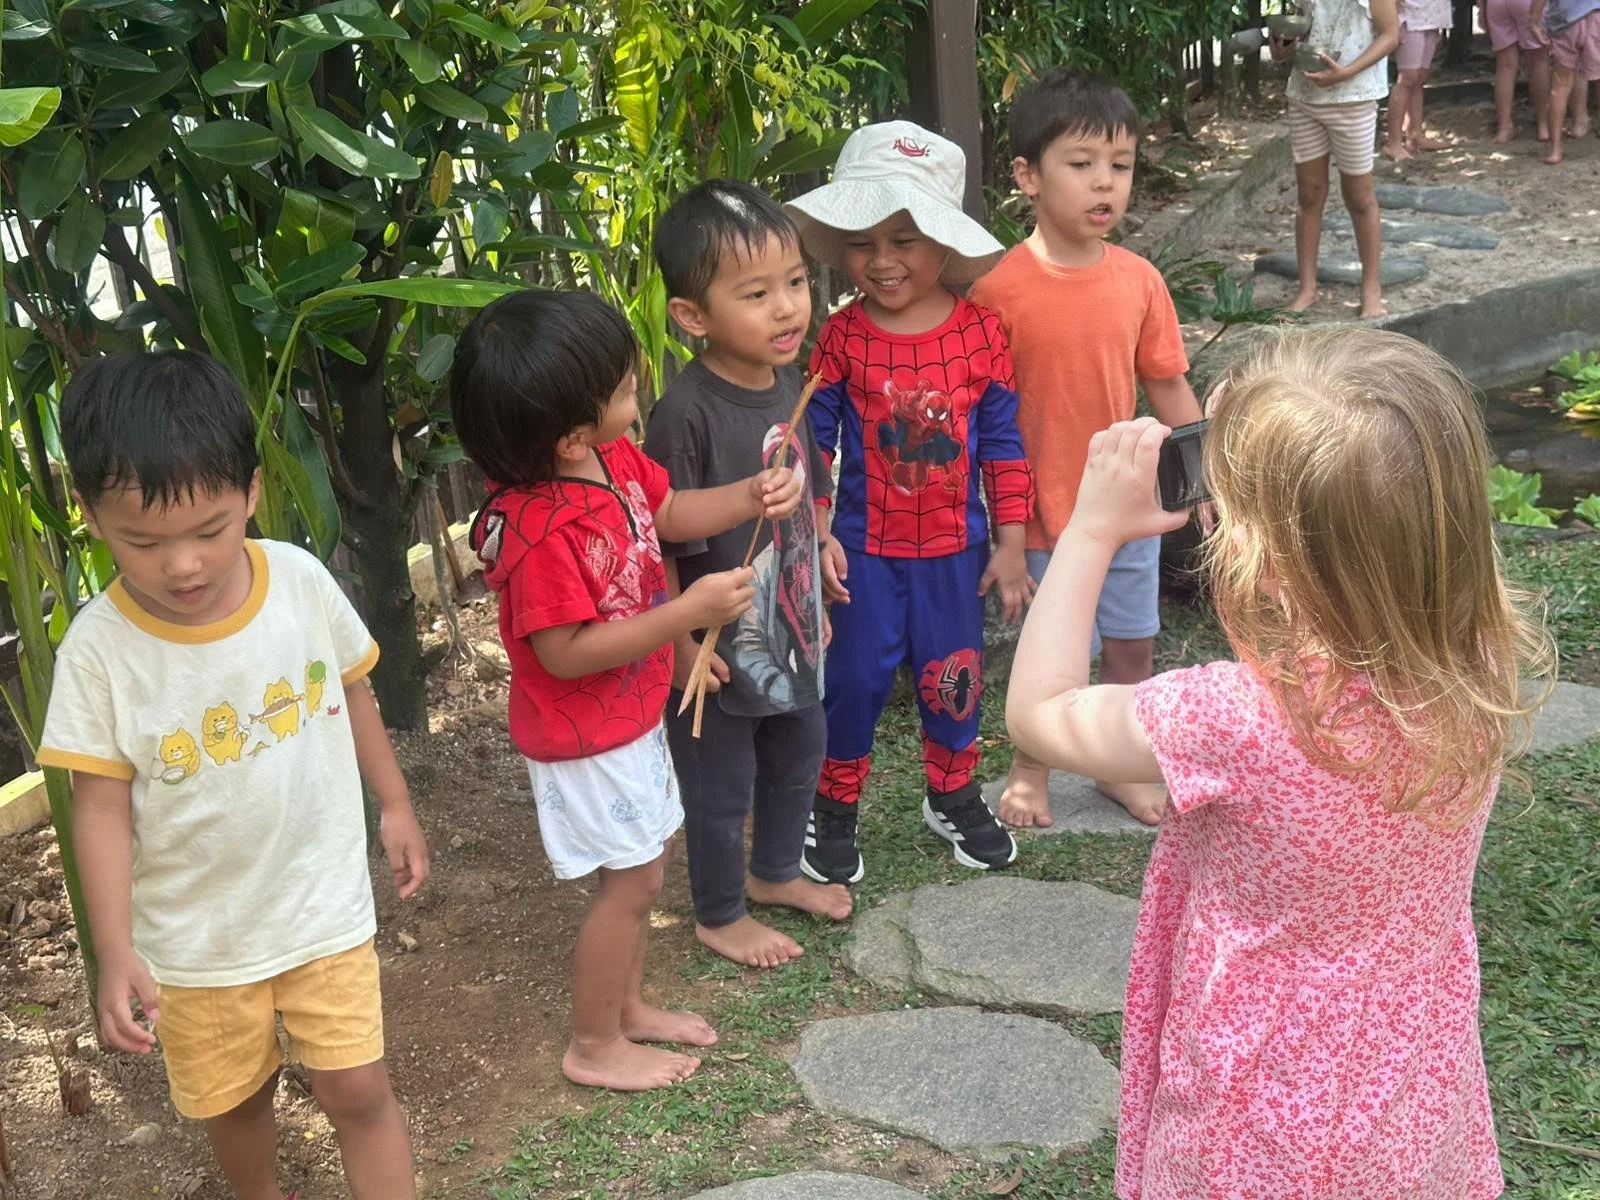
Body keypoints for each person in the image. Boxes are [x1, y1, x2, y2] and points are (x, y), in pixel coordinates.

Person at [1007, 326, 1552, 1200]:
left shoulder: (1236, 718)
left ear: (1267, 564)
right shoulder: (1478, 661)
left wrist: (1090, 531)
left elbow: (1039, 713)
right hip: (1410, 1087)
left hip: (1255, 1111)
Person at [38, 351, 431, 1200]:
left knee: (358, 1089)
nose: (183, 565)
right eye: (144, 541)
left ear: (251, 491)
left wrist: (394, 804)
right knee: (236, 1104)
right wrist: (114, 953)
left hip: (319, 905)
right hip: (195, 946)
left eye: (210, 530)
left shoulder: (297, 581)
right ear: (89, 514)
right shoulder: (99, 653)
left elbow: (353, 687)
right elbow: (97, 808)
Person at [449, 290, 802, 1090]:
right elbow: (567, 654)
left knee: (645, 862)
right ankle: (592, 1044)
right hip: (583, 734)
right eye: (622, 388)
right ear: (572, 431)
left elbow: (670, 511)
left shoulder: (608, 460)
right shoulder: (542, 530)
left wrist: (750, 494)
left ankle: (628, 1008)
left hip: (627, 718)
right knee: (634, 881)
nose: (636, 391)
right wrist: (682, 616)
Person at [781, 120, 1036, 885]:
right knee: (853, 681)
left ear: (943, 245)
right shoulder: (841, 338)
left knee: (952, 675)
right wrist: (818, 534)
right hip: (860, 551)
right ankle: (834, 811)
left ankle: (952, 793)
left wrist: (1013, 542)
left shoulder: (983, 334)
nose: (882, 261)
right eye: (863, 242)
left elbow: (1002, 443)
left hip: (956, 552)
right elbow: (811, 447)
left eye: (904, 240)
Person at [971, 70, 1203, 831]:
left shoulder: (1140, 282)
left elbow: (1167, 388)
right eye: (1082, 164)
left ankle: (1116, 767)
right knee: (1052, 654)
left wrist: (1201, 485)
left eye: (1122, 165)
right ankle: (1030, 768)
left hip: (1128, 506)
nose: (1105, 183)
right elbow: (981, 415)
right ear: (1027, 176)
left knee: (1132, 646)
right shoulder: (998, 290)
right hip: (1038, 514)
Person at [643, 179, 854, 969]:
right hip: (715, 646)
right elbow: (655, 535)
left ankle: (771, 877)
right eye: (756, 293)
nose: (787, 307)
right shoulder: (684, 413)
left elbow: (813, 491)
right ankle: (719, 913)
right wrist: (678, 644)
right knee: (721, 783)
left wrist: (823, 550)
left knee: (803, 748)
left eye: (795, 283)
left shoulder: (790, 387)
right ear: (693, 317)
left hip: (791, 624)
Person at [1273, 0, 1401, 317]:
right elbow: (1290, 35)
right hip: (1304, 98)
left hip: (1354, 100)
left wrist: (1346, 73)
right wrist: (1281, 46)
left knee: (1359, 198)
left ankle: (1370, 290)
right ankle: (1307, 288)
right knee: (1309, 194)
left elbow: (1390, 35)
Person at [1384, 0, 1453, 158]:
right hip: (1409, 17)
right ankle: (1393, 142)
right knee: (1407, 77)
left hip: (1433, 17)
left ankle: (1415, 135)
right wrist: (1393, 23)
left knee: (1420, 77)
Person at [1533, 0, 1600, 163]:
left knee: (1560, 85)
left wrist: (1533, 21)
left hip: (1564, 23)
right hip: (1595, 16)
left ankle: (1555, 150)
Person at [1484, 0, 1556, 141]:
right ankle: (1544, 125)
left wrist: (1482, 8)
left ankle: (1504, 128)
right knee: (1539, 61)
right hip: (1530, 4)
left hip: (1495, 4)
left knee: (1505, 65)